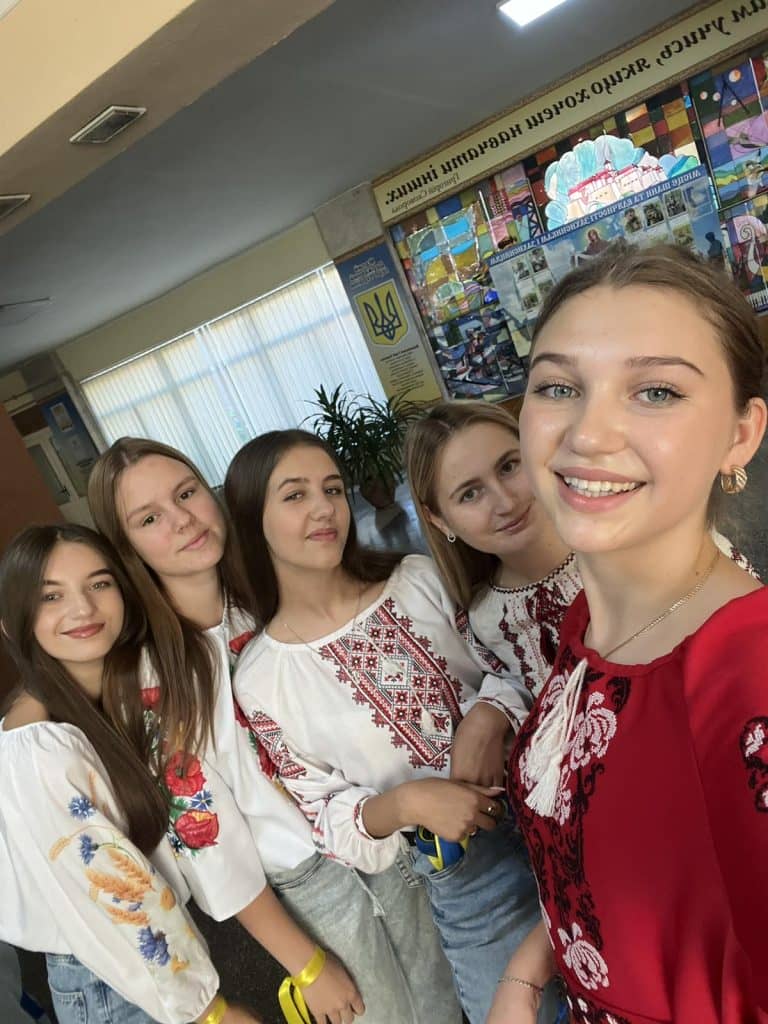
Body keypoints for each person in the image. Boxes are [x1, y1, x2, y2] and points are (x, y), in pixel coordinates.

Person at [488, 241, 768, 1023]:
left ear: (740, 435)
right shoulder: (589, 624)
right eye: (558, 386)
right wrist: (526, 973)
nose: (587, 432)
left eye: (655, 391)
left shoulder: (747, 680)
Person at [88, 437, 448, 1024]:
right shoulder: (150, 678)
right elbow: (210, 845)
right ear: (127, 548)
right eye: (149, 518)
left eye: (186, 494)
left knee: (443, 1004)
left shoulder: (270, 597)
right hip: (313, 884)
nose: (182, 521)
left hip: (382, 835)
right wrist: (306, 965)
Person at [223, 429, 549, 1024]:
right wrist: (405, 804)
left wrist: (488, 715)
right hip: (468, 876)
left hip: (553, 808)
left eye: (332, 489)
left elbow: (517, 662)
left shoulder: (417, 578)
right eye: (295, 496)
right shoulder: (263, 677)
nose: (324, 508)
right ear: (252, 521)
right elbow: (327, 818)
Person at [0, 524, 260, 1024]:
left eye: (99, 584)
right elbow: (121, 897)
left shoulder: (113, 694)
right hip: (112, 977)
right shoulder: (39, 748)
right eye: (51, 596)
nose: (83, 609)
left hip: (144, 967)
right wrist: (209, 1011)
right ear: (13, 623)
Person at [405, 401, 757, 700]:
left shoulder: (637, 530)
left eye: (509, 466)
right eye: (470, 493)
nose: (505, 502)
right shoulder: (487, 623)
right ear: (439, 520)